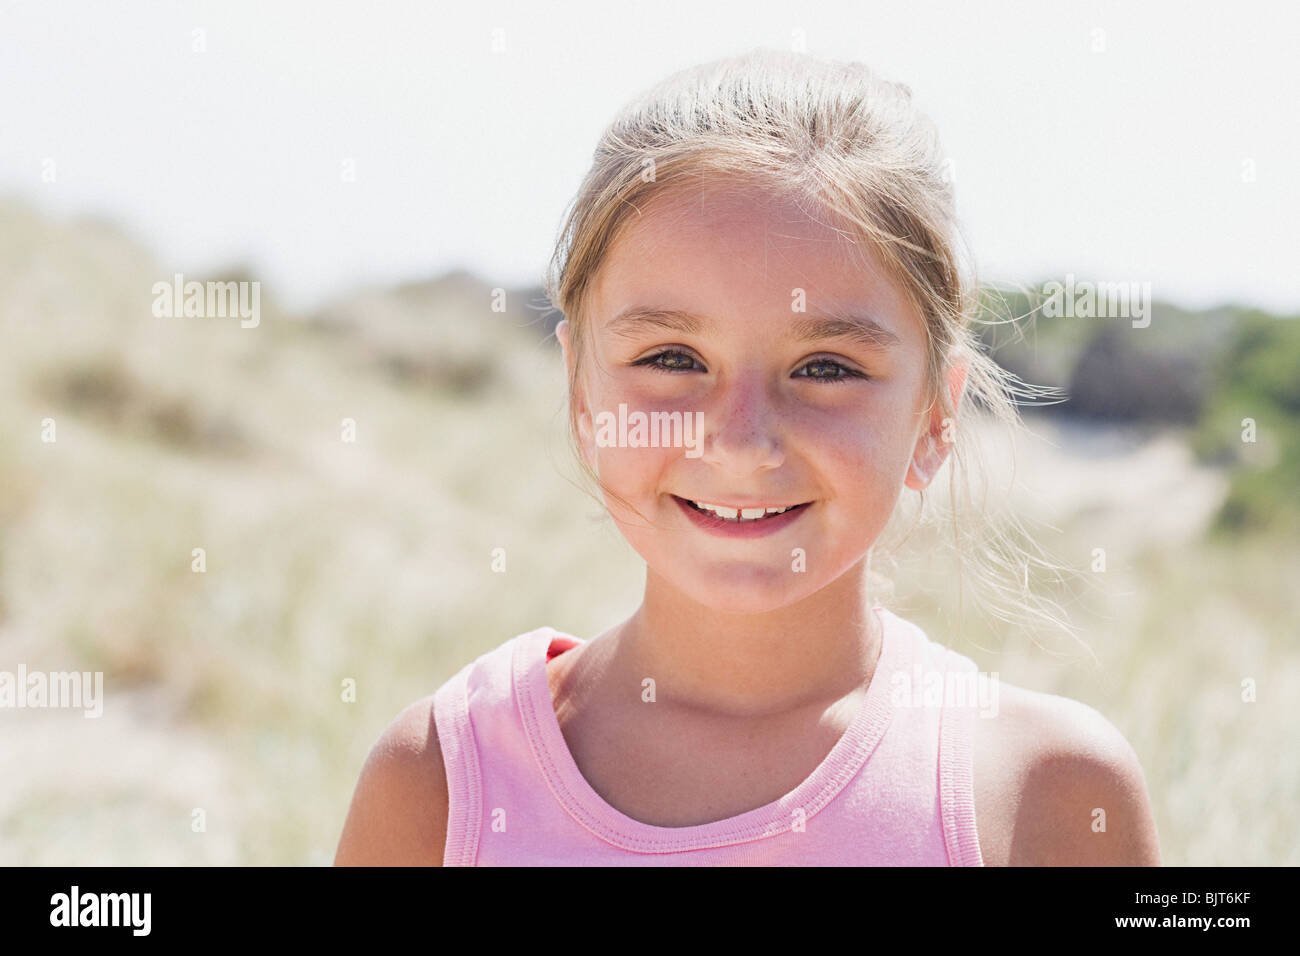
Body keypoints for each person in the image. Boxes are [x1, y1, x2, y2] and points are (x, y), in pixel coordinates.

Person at [335, 48, 1161, 866]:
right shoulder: (444, 784)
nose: (738, 441)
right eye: (671, 358)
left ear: (935, 417)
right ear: (583, 395)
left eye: (827, 369)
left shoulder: (1047, 794)